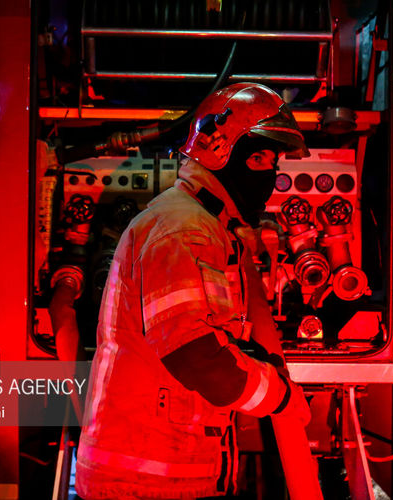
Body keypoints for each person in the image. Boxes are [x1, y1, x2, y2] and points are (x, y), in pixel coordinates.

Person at [76, 83, 312, 500]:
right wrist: (281, 396)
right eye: (258, 158)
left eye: (273, 163)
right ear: (217, 151)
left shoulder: (205, 226)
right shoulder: (184, 229)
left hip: (163, 477)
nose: (269, 177)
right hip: (145, 484)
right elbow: (196, 356)